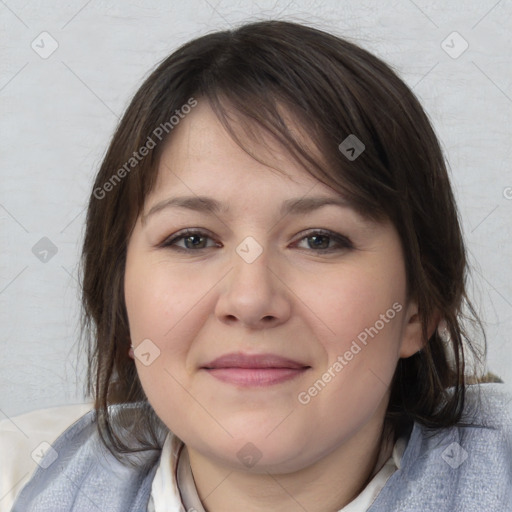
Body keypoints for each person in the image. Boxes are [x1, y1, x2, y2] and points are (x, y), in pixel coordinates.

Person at [2, 19, 511, 512]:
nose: (250, 300)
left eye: (319, 239)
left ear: (420, 307)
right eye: (192, 239)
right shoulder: (20, 478)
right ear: (119, 302)